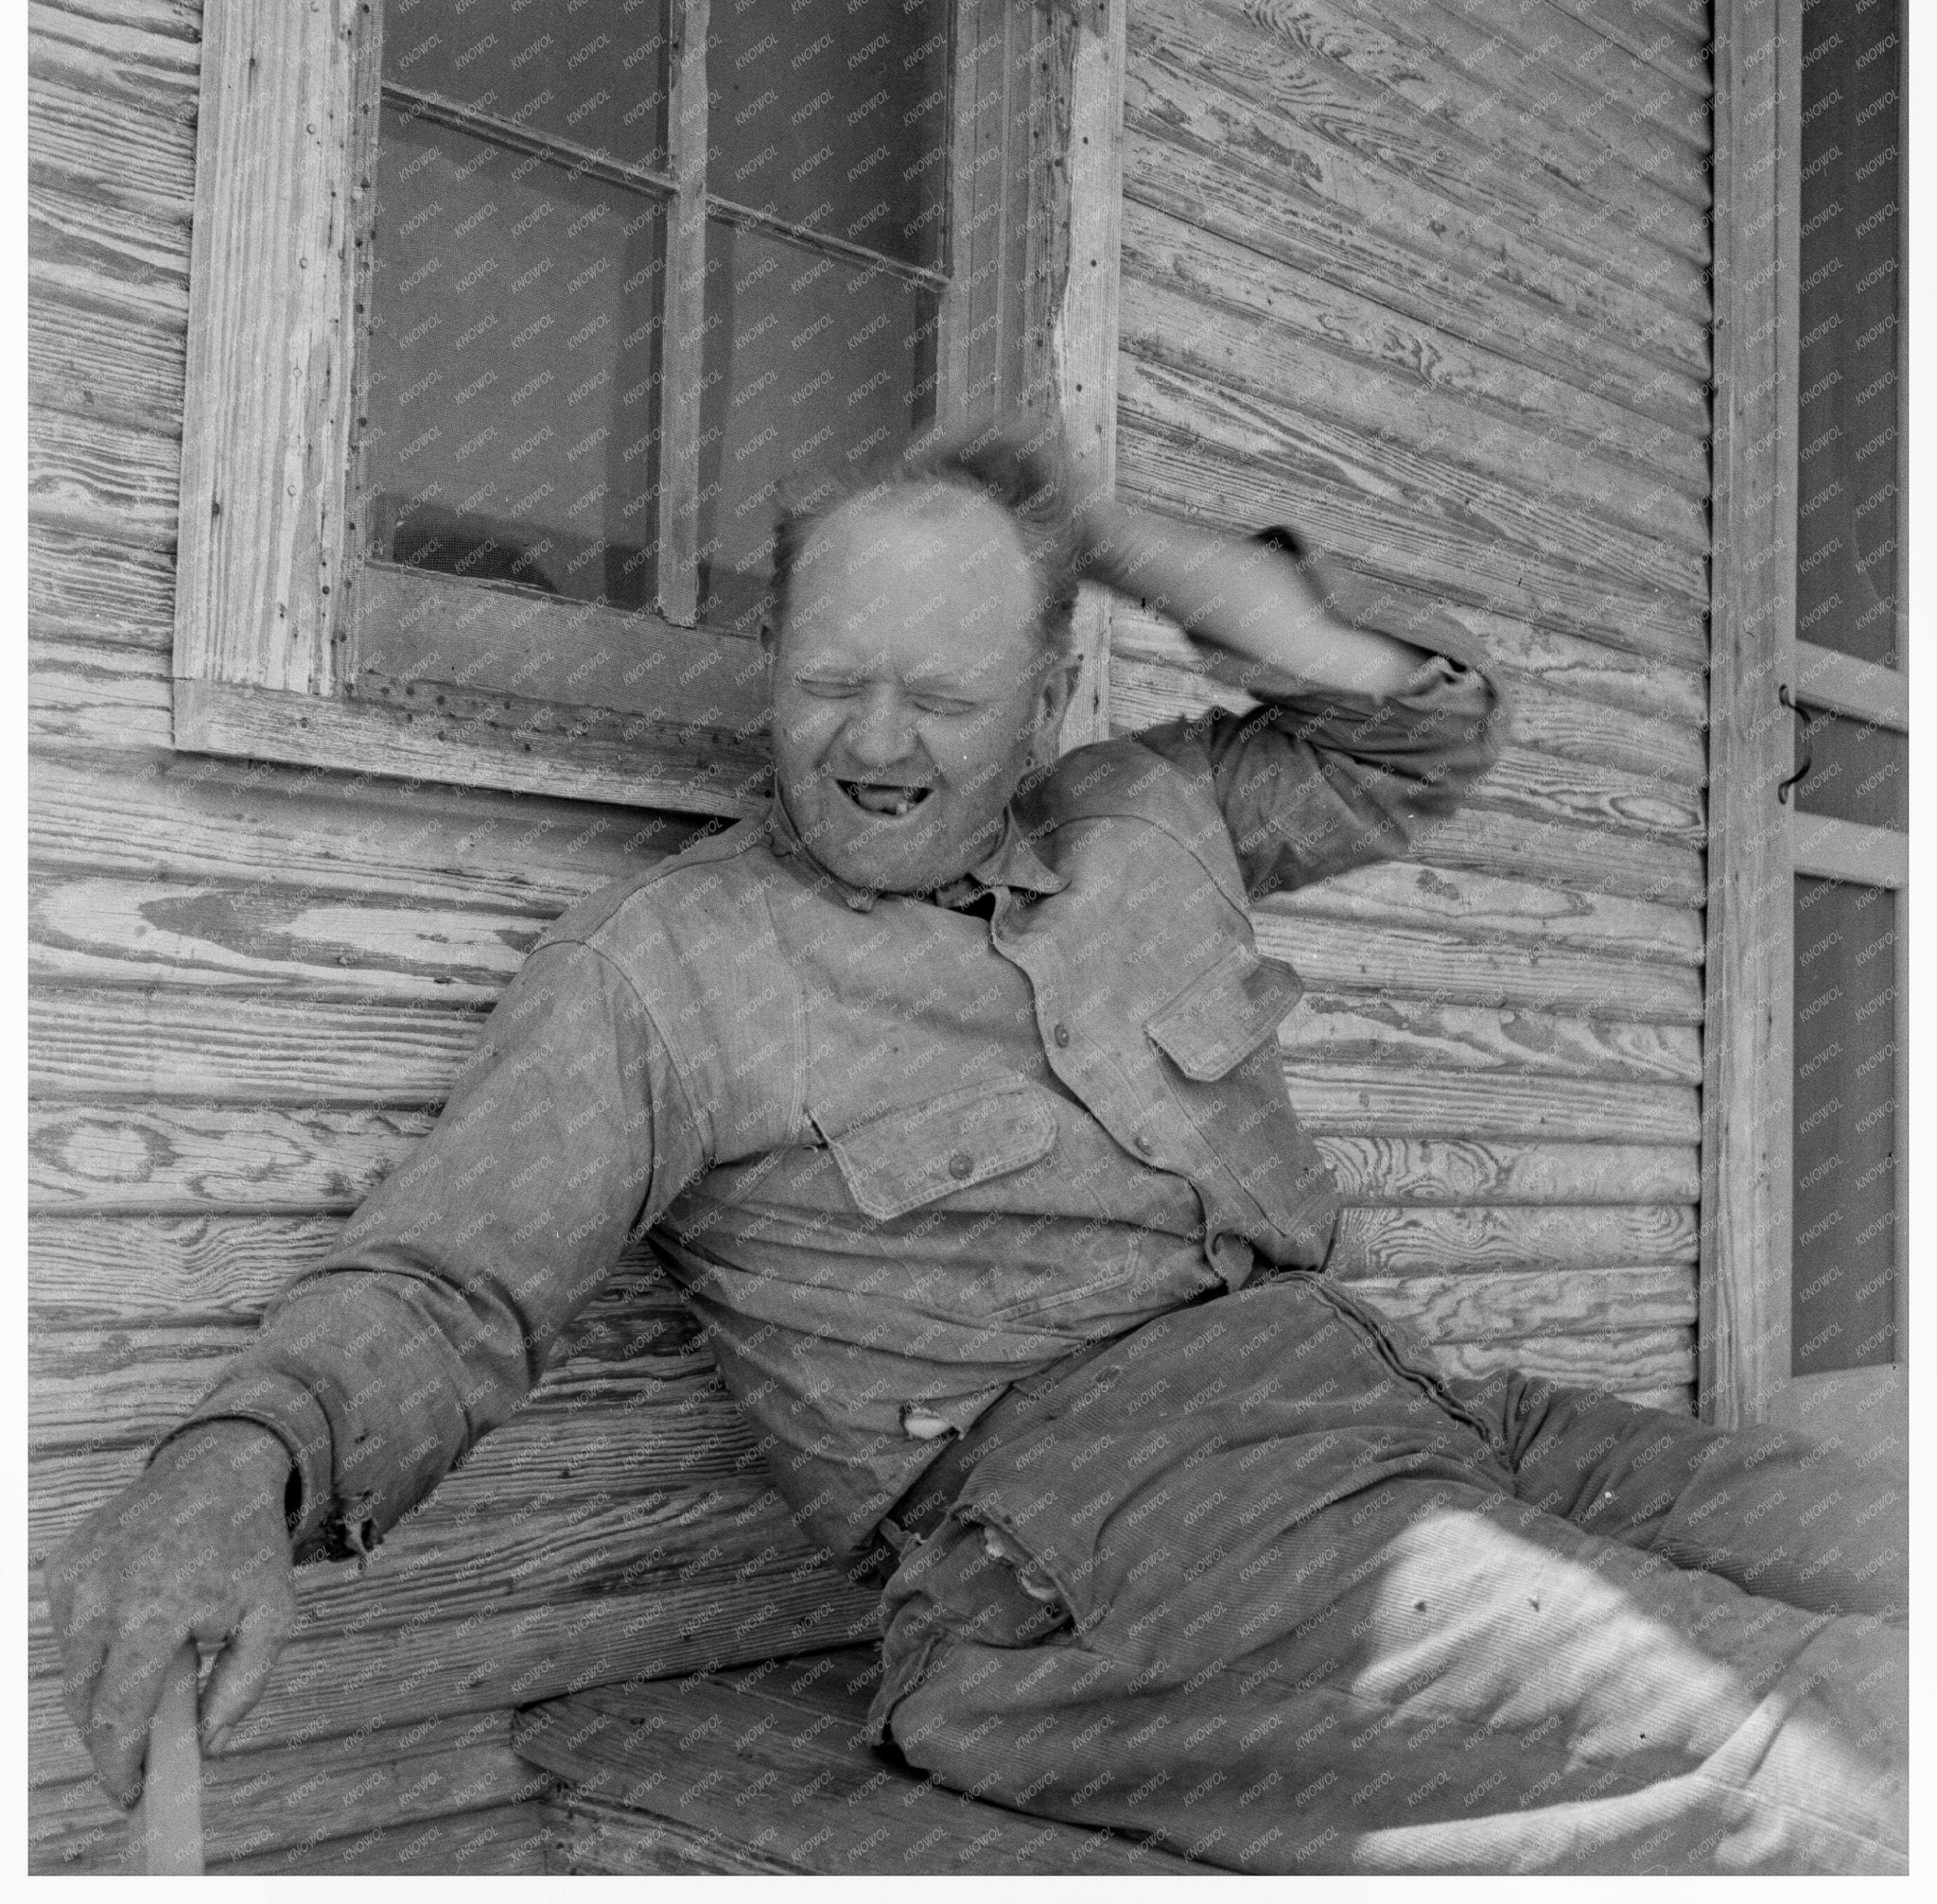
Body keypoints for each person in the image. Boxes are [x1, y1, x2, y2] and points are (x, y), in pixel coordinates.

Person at [48, 429, 1907, 1874]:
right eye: (827, 680)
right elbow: (448, 1278)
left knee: (1873, 1545)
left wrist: (1086, 528)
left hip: (1411, 1410)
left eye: (939, 697)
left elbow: (1419, 728)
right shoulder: (679, 965)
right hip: (1108, 1544)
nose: (868, 740)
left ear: (1038, 710)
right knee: (1817, 1763)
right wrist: (243, 1454)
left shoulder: (1149, 813)